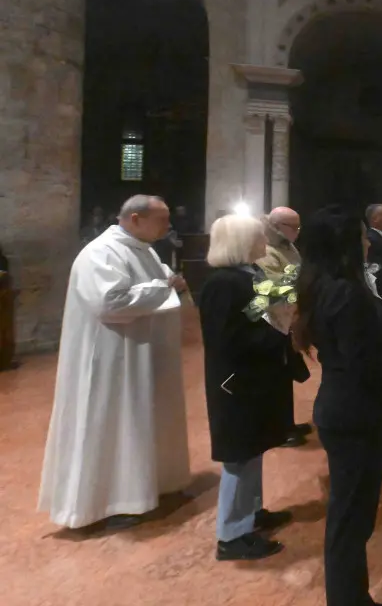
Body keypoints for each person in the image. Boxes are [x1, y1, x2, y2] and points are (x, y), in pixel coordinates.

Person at [39, 195, 191, 529]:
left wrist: (169, 284)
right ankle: (106, 502)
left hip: (140, 353)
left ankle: (149, 488)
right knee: (113, 423)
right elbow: (111, 301)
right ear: (135, 218)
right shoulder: (101, 252)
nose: (168, 227)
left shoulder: (144, 249)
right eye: (162, 220)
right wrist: (164, 285)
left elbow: (155, 285)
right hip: (110, 357)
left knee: (140, 420)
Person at [294, 206, 382, 606]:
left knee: (352, 519)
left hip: (347, 410)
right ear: (344, 244)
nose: (366, 243)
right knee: (349, 522)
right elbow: (366, 362)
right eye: (360, 237)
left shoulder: (326, 284)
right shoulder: (345, 291)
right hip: (356, 413)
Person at [198, 215, 296, 561]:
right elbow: (229, 338)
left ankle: (251, 513)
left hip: (252, 379)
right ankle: (231, 535)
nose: (264, 244)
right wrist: (276, 330)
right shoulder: (223, 283)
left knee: (252, 449)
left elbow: (257, 307)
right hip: (235, 382)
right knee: (239, 456)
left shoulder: (246, 276)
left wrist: (289, 291)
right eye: (257, 238)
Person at [259, 206, 312, 447]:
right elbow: (272, 288)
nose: (298, 232)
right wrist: (303, 285)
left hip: (289, 319)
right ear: (278, 227)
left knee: (285, 376)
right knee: (274, 378)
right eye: (294, 227)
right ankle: (278, 430)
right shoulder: (266, 251)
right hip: (273, 322)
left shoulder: (287, 247)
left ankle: (287, 423)